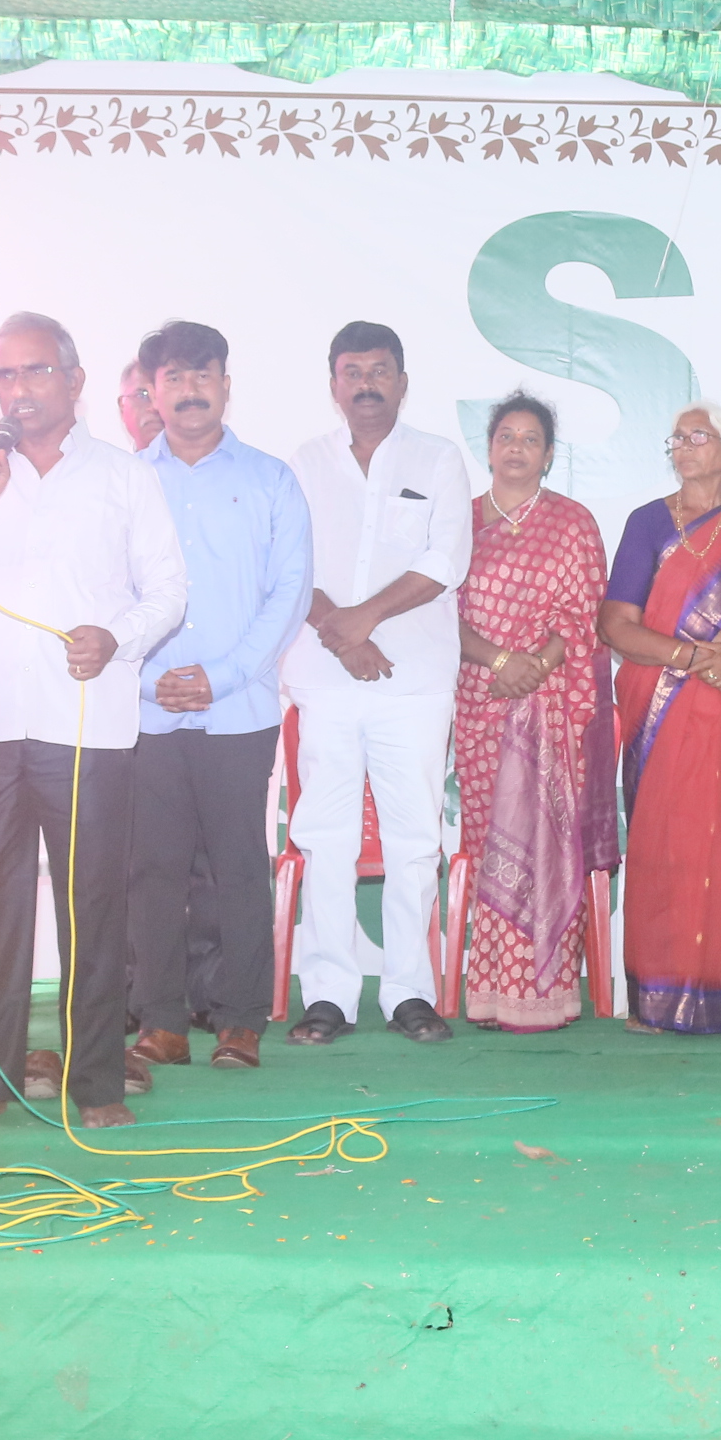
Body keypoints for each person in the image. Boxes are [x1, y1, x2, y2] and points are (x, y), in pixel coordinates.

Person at [0, 313, 187, 1128]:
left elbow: (168, 592)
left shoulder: (124, 477)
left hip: (87, 724)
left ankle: (97, 1083)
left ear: (75, 381)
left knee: (92, 907)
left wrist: (117, 638)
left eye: (35, 371)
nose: (18, 389)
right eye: (4, 375)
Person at [123, 321, 310, 1076]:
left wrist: (222, 676)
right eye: (173, 377)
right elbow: (104, 592)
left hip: (239, 710)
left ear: (226, 386)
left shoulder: (270, 480)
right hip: (145, 710)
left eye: (203, 375)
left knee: (238, 866)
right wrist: (147, 680)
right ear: (151, 392)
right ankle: (162, 1022)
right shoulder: (127, 482)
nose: (190, 390)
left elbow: (289, 593)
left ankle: (240, 1021)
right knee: (154, 870)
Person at [282, 322, 471, 1047]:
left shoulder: (438, 458)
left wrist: (366, 619)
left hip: (414, 682)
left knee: (414, 838)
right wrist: (345, 636)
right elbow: (288, 563)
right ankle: (328, 993)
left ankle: (408, 992)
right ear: (333, 384)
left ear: (403, 382)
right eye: (353, 371)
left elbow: (446, 559)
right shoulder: (304, 463)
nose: (366, 383)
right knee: (324, 835)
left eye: (380, 370)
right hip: (325, 679)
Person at [600, 404, 721, 1034]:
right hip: (664, 702)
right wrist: (695, 657)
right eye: (676, 437)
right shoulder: (648, 523)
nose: (684, 446)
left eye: (698, 436)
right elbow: (615, 624)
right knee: (667, 845)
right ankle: (655, 1003)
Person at [451, 394, 617, 1030]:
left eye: (530, 439)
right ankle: (491, 991)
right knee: (491, 840)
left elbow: (586, 615)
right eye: (506, 436)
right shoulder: (459, 522)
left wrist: (535, 666)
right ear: (488, 448)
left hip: (552, 708)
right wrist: (500, 661)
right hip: (481, 702)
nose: (516, 448)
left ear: (548, 455)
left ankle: (547, 993)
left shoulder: (573, 523)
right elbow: (438, 613)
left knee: (547, 841)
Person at [115, 354, 163, 451]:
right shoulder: (106, 460)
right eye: (142, 395)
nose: (154, 407)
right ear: (122, 407)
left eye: (162, 396)